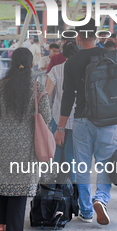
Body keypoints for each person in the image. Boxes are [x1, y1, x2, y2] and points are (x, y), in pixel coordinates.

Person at [54, 19, 117, 226]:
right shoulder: (111, 56)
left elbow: (67, 97)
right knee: (105, 163)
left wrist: (60, 127)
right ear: (96, 35)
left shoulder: (71, 62)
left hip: (82, 119)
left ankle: (85, 210)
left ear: (78, 37)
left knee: (82, 166)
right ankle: (100, 198)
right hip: (108, 120)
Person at [0, 48, 51, 231]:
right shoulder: (37, 88)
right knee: (19, 188)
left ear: (12, 64)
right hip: (26, 144)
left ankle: (2, 225)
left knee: (5, 183)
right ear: (31, 65)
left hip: (1, 141)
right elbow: (46, 118)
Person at [46, 42, 78, 178]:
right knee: (72, 155)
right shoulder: (83, 69)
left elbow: (46, 93)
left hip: (58, 116)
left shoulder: (56, 69)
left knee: (55, 152)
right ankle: (73, 187)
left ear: (63, 54)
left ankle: (52, 186)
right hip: (77, 118)